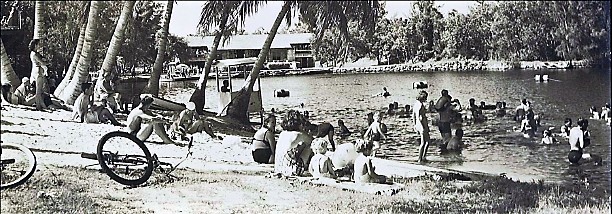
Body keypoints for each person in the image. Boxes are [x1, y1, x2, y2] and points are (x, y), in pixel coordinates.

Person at [274, 110, 313, 177]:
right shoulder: (299, 134)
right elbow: (313, 141)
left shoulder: (282, 134)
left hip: (278, 168)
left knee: (299, 146)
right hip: (291, 171)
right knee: (309, 146)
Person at [29, 39, 49, 110]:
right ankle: (38, 106)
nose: (39, 46)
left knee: (39, 91)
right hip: (38, 71)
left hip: (35, 70)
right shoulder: (35, 54)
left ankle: (40, 106)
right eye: (38, 44)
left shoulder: (33, 53)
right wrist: (47, 62)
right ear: (35, 45)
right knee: (39, 91)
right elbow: (42, 62)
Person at [413, 90, 431, 162]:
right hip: (422, 124)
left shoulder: (416, 104)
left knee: (427, 142)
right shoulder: (420, 105)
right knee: (424, 142)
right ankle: (420, 158)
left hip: (420, 123)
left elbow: (413, 116)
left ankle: (423, 157)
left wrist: (415, 125)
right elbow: (418, 116)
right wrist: (422, 127)